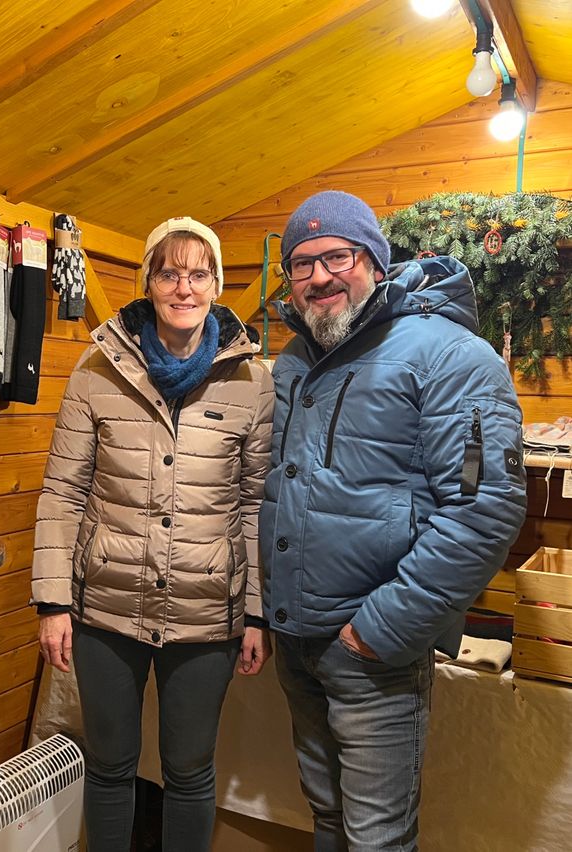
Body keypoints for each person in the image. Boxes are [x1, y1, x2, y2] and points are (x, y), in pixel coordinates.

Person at [259, 190, 526, 851]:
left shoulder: (450, 356)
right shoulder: (294, 361)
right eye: (301, 264)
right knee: (324, 816)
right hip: (297, 640)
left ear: (375, 261)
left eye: (338, 256)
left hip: (373, 651)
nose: (319, 276)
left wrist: (377, 631)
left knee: (376, 836)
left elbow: (484, 508)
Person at [31, 216, 274, 852]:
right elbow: (63, 491)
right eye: (169, 272)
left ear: (217, 285)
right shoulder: (96, 369)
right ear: (149, 282)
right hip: (105, 607)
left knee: (189, 772)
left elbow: (255, 504)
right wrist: (54, 601)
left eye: (199, 274)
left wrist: (257, 614)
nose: (183, 287)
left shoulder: (252, 381)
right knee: (110, 766)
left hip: (206, 612)